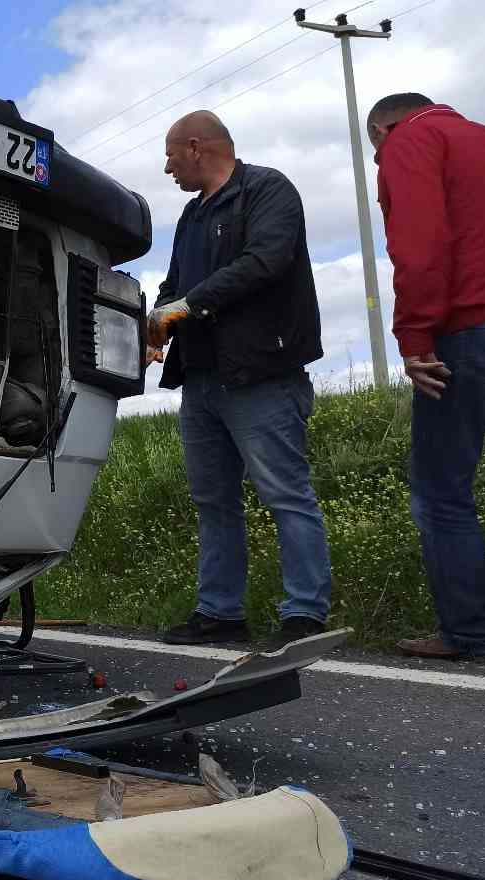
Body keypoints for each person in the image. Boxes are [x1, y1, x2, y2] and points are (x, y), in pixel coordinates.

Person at [144, 111, 332, 650]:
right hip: (201, 380)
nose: (167, 167)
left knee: (286, 494)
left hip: (262, 376)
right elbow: (174, 284)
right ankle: (221, 612)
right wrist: (157, 325)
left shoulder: (268, 190)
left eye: (171, 156)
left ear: (197, 147)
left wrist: (179, 309)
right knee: (212, 501)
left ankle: (304, 614)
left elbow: (263, 263)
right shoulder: (189, 215)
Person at [367, 94, 485, 661]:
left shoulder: (410, 142)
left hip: (470, 334)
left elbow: (420, 246)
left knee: (443, 494)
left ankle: (473, 635)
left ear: (381, 129)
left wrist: (415, 339)